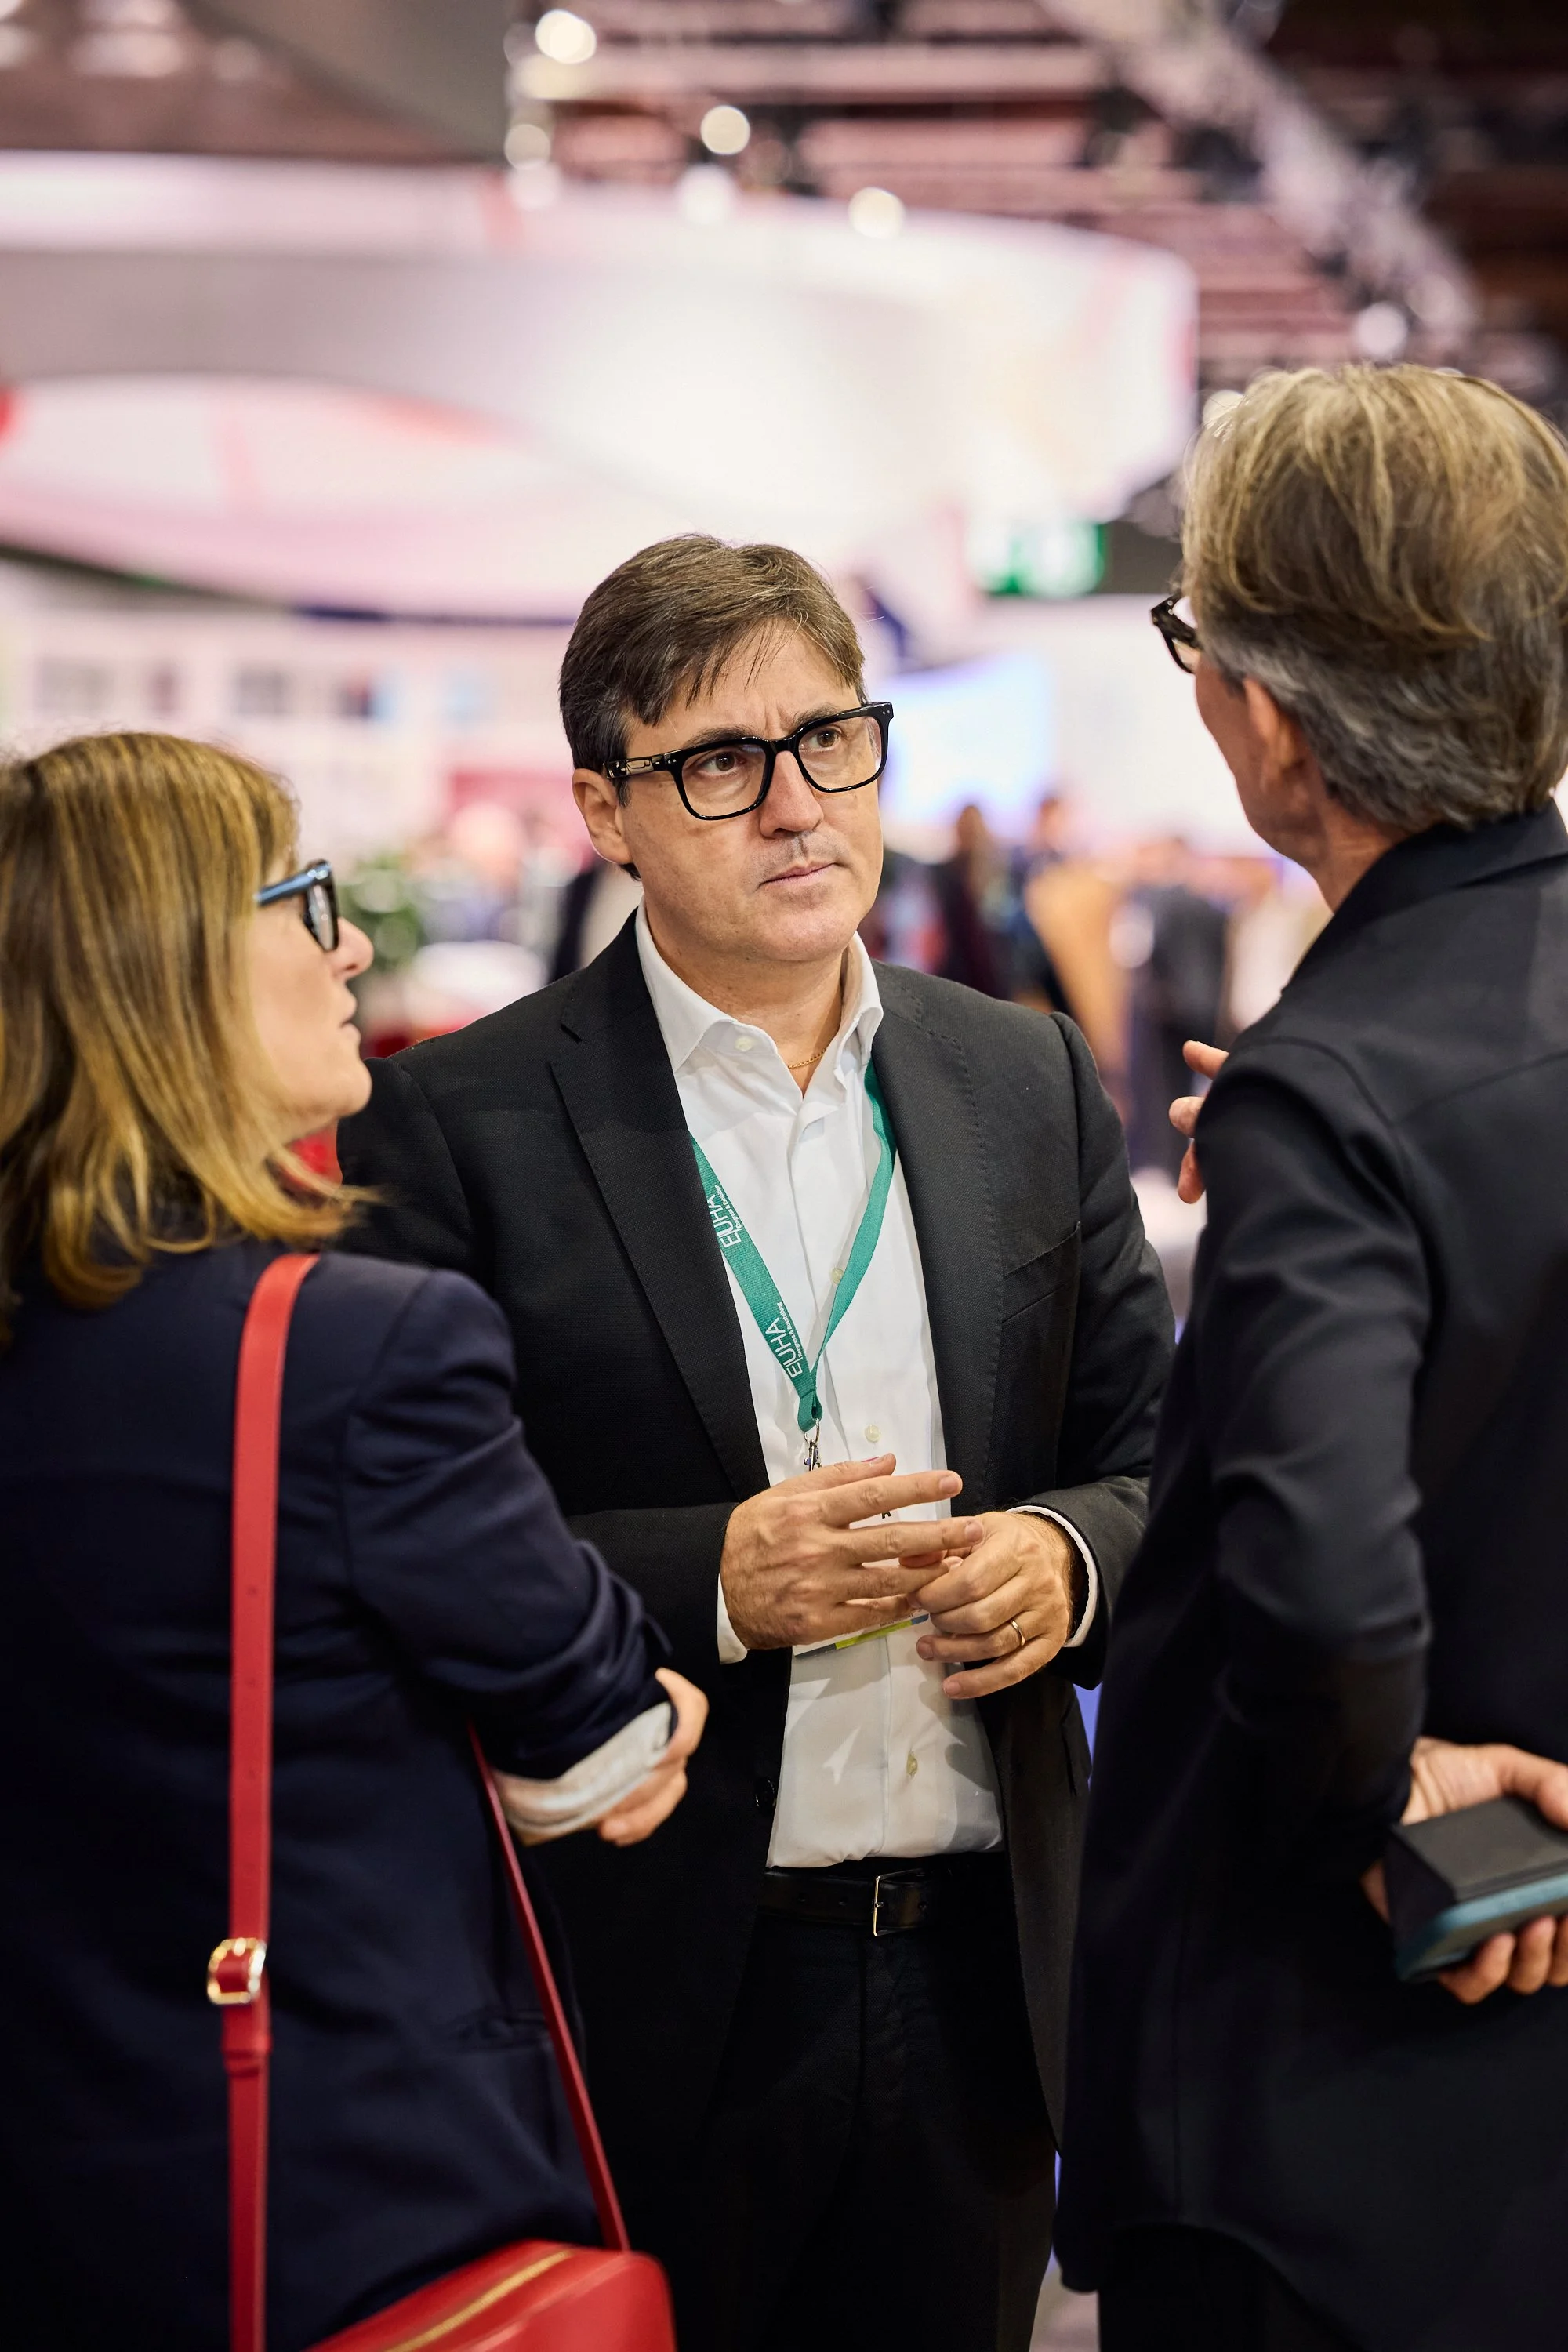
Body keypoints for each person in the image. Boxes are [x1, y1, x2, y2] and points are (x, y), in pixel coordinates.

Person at [337, 534, 1174, 2352]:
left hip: (979, 1982)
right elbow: (390, 1549)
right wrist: (706, 1579)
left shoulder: (1017, 1078)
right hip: (653, 1985)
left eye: (832, 742)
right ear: (606, 808)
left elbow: (1158, 1453)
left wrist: (1067, 1556)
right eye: (721, 763)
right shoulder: (456, 1123)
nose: (796, 807)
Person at [0, 731, 706, 2350]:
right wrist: (651, 1704)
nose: (349, 945)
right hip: (320, 2194)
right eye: (297, 896)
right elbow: (596, 1731)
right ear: (160, 963)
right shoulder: (352, 1349)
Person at [1055, 365, 1568, 2352]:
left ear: (1267, 714)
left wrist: (1415, 1837)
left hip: (1327, 2111)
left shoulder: (1333, 1093)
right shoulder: (1360, 1082)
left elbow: (1326, 1596)